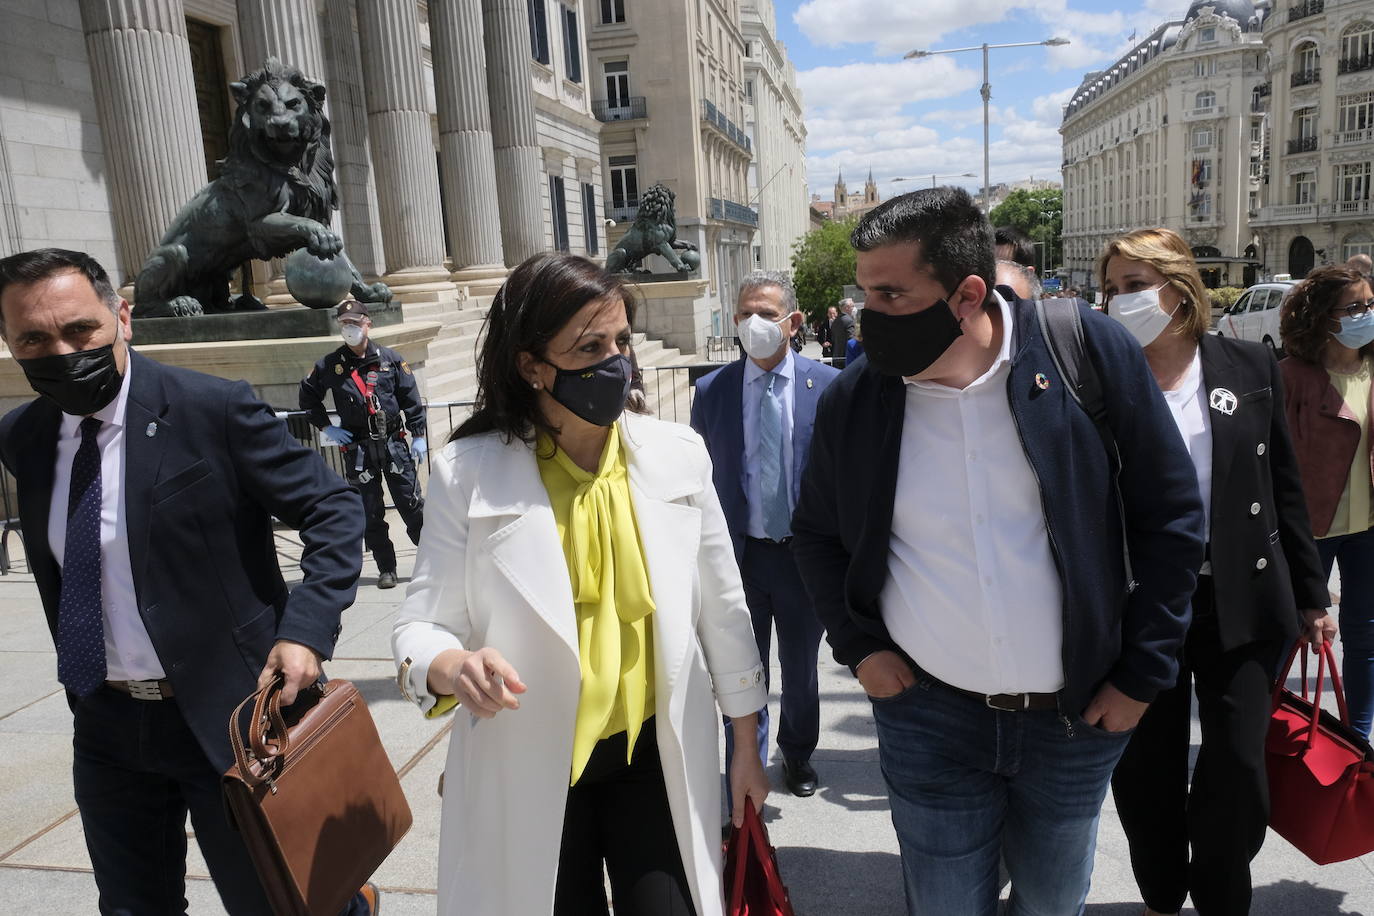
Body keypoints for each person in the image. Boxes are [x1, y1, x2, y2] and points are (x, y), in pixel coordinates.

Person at [790, 188, 1205, 916]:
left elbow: (1170, 518)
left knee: (1051, 902)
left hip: (1077, 716)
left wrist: (1143, 675)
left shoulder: (1087, 352)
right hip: (928, 714)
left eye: (891, 294)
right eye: (864, 293)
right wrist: (859, 647)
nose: (868, 315)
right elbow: (818, 533)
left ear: (967, 294)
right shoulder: (858, 399)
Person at [391, 252, 769, 916]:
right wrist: (452, 665)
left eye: (621, 340)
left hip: (655, 756)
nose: (617, 361)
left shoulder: (678, 456)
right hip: (528, 765)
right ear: (532, 365)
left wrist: (745, 745)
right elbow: (422, 626)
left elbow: (724, 611)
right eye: (590, 346)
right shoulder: (466, 474)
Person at [0, 249, 375, 914]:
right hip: (107, 721)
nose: (60, 351)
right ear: (10, 342)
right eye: (34, 338)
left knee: (280, 901)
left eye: (80, 330)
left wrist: (306, 632)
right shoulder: (24, 437)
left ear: (121, 317)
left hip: (232, 713)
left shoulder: (212, 409)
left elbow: (333, 506)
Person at [1099, 228, 1332, 916]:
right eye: (1112, 288)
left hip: (1246, 596)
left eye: (1136, 286)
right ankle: (1164, 890)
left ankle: (1224, 892)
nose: (1120, 301)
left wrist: (1314, 595)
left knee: (1238, 768)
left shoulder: (1247, 366)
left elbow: (1282, 485)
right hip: (1144, 603)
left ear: (1179, 288)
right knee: (1147, 773)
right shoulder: (1099, 379)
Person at [690, 271, 840, 800]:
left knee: (800, 669)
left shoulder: (826, 388)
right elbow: (703, 479)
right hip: (741, 557)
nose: (754, 324)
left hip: (803, 559)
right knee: (740, 670)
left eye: (766, 314)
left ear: (792, 323)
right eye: (744, 314)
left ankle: (797, 754)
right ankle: (743, 760)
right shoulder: (711, 392)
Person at [1280, 264, 1374, 738]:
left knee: (1365, 639)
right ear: (1322, 317)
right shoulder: (1292, 377)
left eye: (1371, 305)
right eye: (1354, 308)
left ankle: (1359, 741)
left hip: (1368, 531)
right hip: (1309, 531)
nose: (1365, 315)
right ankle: (1262, 734)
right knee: (1289, 637)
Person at [300, 298, 426, 589]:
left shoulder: (391, 360)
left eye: (355, 323)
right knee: (370, 512)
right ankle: (387, 568)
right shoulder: (330, 365)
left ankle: (433, 560)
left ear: (368, 323)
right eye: (345, 324)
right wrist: (327, 428)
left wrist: (418, 436)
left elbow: (411, 400)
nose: (350, 328)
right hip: (358, 449)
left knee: (411, 505)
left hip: (394, 445)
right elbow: (308, 396)